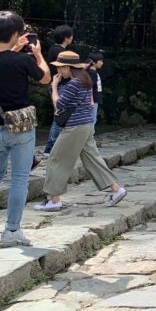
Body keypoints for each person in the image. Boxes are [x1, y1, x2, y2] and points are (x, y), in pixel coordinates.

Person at [0, 11, 51, 248]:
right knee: (19, 178)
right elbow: (45, 78)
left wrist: (14, 48)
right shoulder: (24, 61)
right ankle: (11, 231)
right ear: (15, 34)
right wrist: (38, 54)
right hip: (20, 129)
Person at [34, 51, 126, 212]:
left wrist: (54, 87)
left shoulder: (74, 83)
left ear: (68, 67)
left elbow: (60, 104)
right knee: (93, 159)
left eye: (60, 67)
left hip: (75, 127)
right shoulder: (85, 80)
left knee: (55, 159)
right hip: (87, 125)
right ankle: (117, 190)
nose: (59, 71)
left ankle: (54, 200)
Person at [41, 24, 75, 157]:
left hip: (59, 85)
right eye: (71, 36)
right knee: (60, 117)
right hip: (60, 85)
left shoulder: (54, 49)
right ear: (67, 37)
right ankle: (50, 148)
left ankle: (55, 147)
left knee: (62, 117)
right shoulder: (60, 52)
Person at [87, 51, 105, 124]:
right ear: (94, 62)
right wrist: (91, 100)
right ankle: (89, 135)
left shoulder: (91, 71)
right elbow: (90, 87)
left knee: (92, 119)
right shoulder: (92, 73)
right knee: (92, 120)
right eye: (100, 61)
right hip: (93, 99)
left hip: (94, 99)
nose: (102, 63)